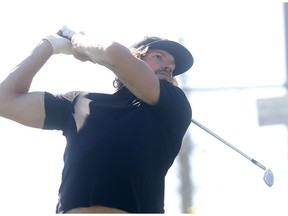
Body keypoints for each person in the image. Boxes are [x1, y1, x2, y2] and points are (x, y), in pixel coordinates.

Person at [0, 26, 194, 213]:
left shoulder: (173, 105)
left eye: (172, 64)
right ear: (136, 57)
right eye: (158, 57)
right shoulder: (79, 102)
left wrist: (78, 42)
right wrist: (50, 45)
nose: (169, 66)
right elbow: (5, 100)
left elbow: (113, 53)